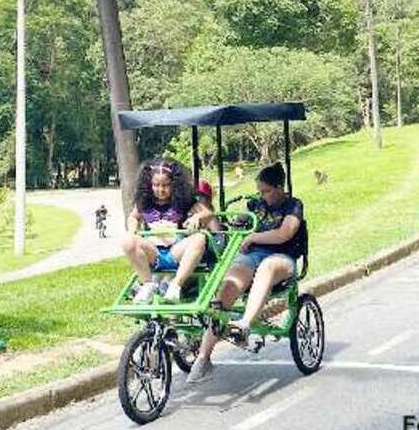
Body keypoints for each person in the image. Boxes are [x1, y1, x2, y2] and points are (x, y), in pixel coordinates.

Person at [187, 162, 303, 384]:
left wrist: (254, 237)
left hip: (282, 257)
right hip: (252, 256)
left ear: (280, 187)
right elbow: (240, 224)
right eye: (260, 191)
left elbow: (284, 233)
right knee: (229, 284)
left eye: (267, 191)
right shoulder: (255, 205)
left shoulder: (293, 205)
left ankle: (245, 325)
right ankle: (203, 358)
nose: (262, 195)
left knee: (267, 268)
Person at [121, 159, 216, 304]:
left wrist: (197, 217)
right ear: (149, 184)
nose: (160, 190)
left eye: (165, 185)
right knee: (127, 241)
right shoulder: (144, 202)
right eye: (156, 185)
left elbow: (208, 214)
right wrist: (133, 230)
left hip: (176, 251)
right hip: (154, 252)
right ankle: (148, 284)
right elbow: (133, 217)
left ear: (174, 184)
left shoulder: (184, 200)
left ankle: (176, 285)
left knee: (199, 238)